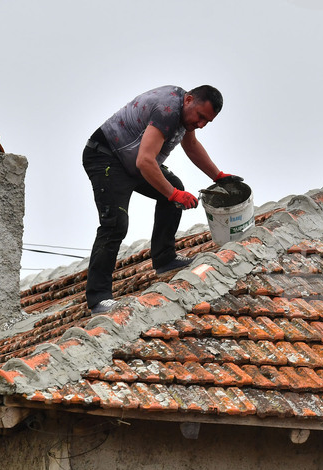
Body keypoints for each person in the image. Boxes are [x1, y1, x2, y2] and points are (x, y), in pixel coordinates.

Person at [82, 85, 241, 315]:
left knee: (174, 188)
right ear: (188, 100)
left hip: (133, 160)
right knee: (115, 223)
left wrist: (217, 176)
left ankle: (165, 259)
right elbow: (145, 162)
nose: (201, 125)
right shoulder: (167, 110)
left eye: (207, 122)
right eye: (200, 117)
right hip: (106, 156)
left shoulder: (184, 113)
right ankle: (99, 299)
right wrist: (174, 195)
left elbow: (191, 145)